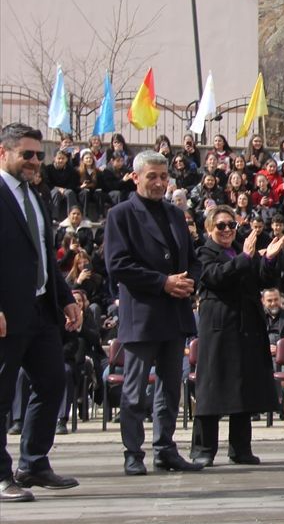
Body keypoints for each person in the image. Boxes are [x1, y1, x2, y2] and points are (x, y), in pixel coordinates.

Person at [104, 151, 203, 475]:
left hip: (174, 314)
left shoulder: (175, 214)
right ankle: (133, 452)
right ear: (136, 177)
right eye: (152, 176)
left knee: (170, 388)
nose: (160, 182)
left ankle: (165, 449)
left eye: (164, 177)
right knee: (134, 391)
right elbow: (118, 265)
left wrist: (190, 281)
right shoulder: (121, 214)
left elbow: (191, 258)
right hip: (143, 315)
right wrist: (162, 282)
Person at [0, 124, 84, 501]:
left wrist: (64, 296)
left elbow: (44, 255)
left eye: (39, 155)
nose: (36, 162)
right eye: (27, 155)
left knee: (52, 381)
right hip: (6, 313)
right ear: (4, 153)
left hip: (40, 309)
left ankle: (33, 462)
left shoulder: (35, 194)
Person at [191, 206, 284, 466]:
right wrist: (245, 256)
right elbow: (215, 277)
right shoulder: (204, 252)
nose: (227, 230)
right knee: (211, 387)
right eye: (221, 226)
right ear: (210, 228)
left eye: (231, 225)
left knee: (243, 388)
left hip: (246, 327)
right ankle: (203, 449)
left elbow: (262, 280)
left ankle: (240, 448)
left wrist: (268, 259)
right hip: (219, 329)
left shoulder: (243, 252)